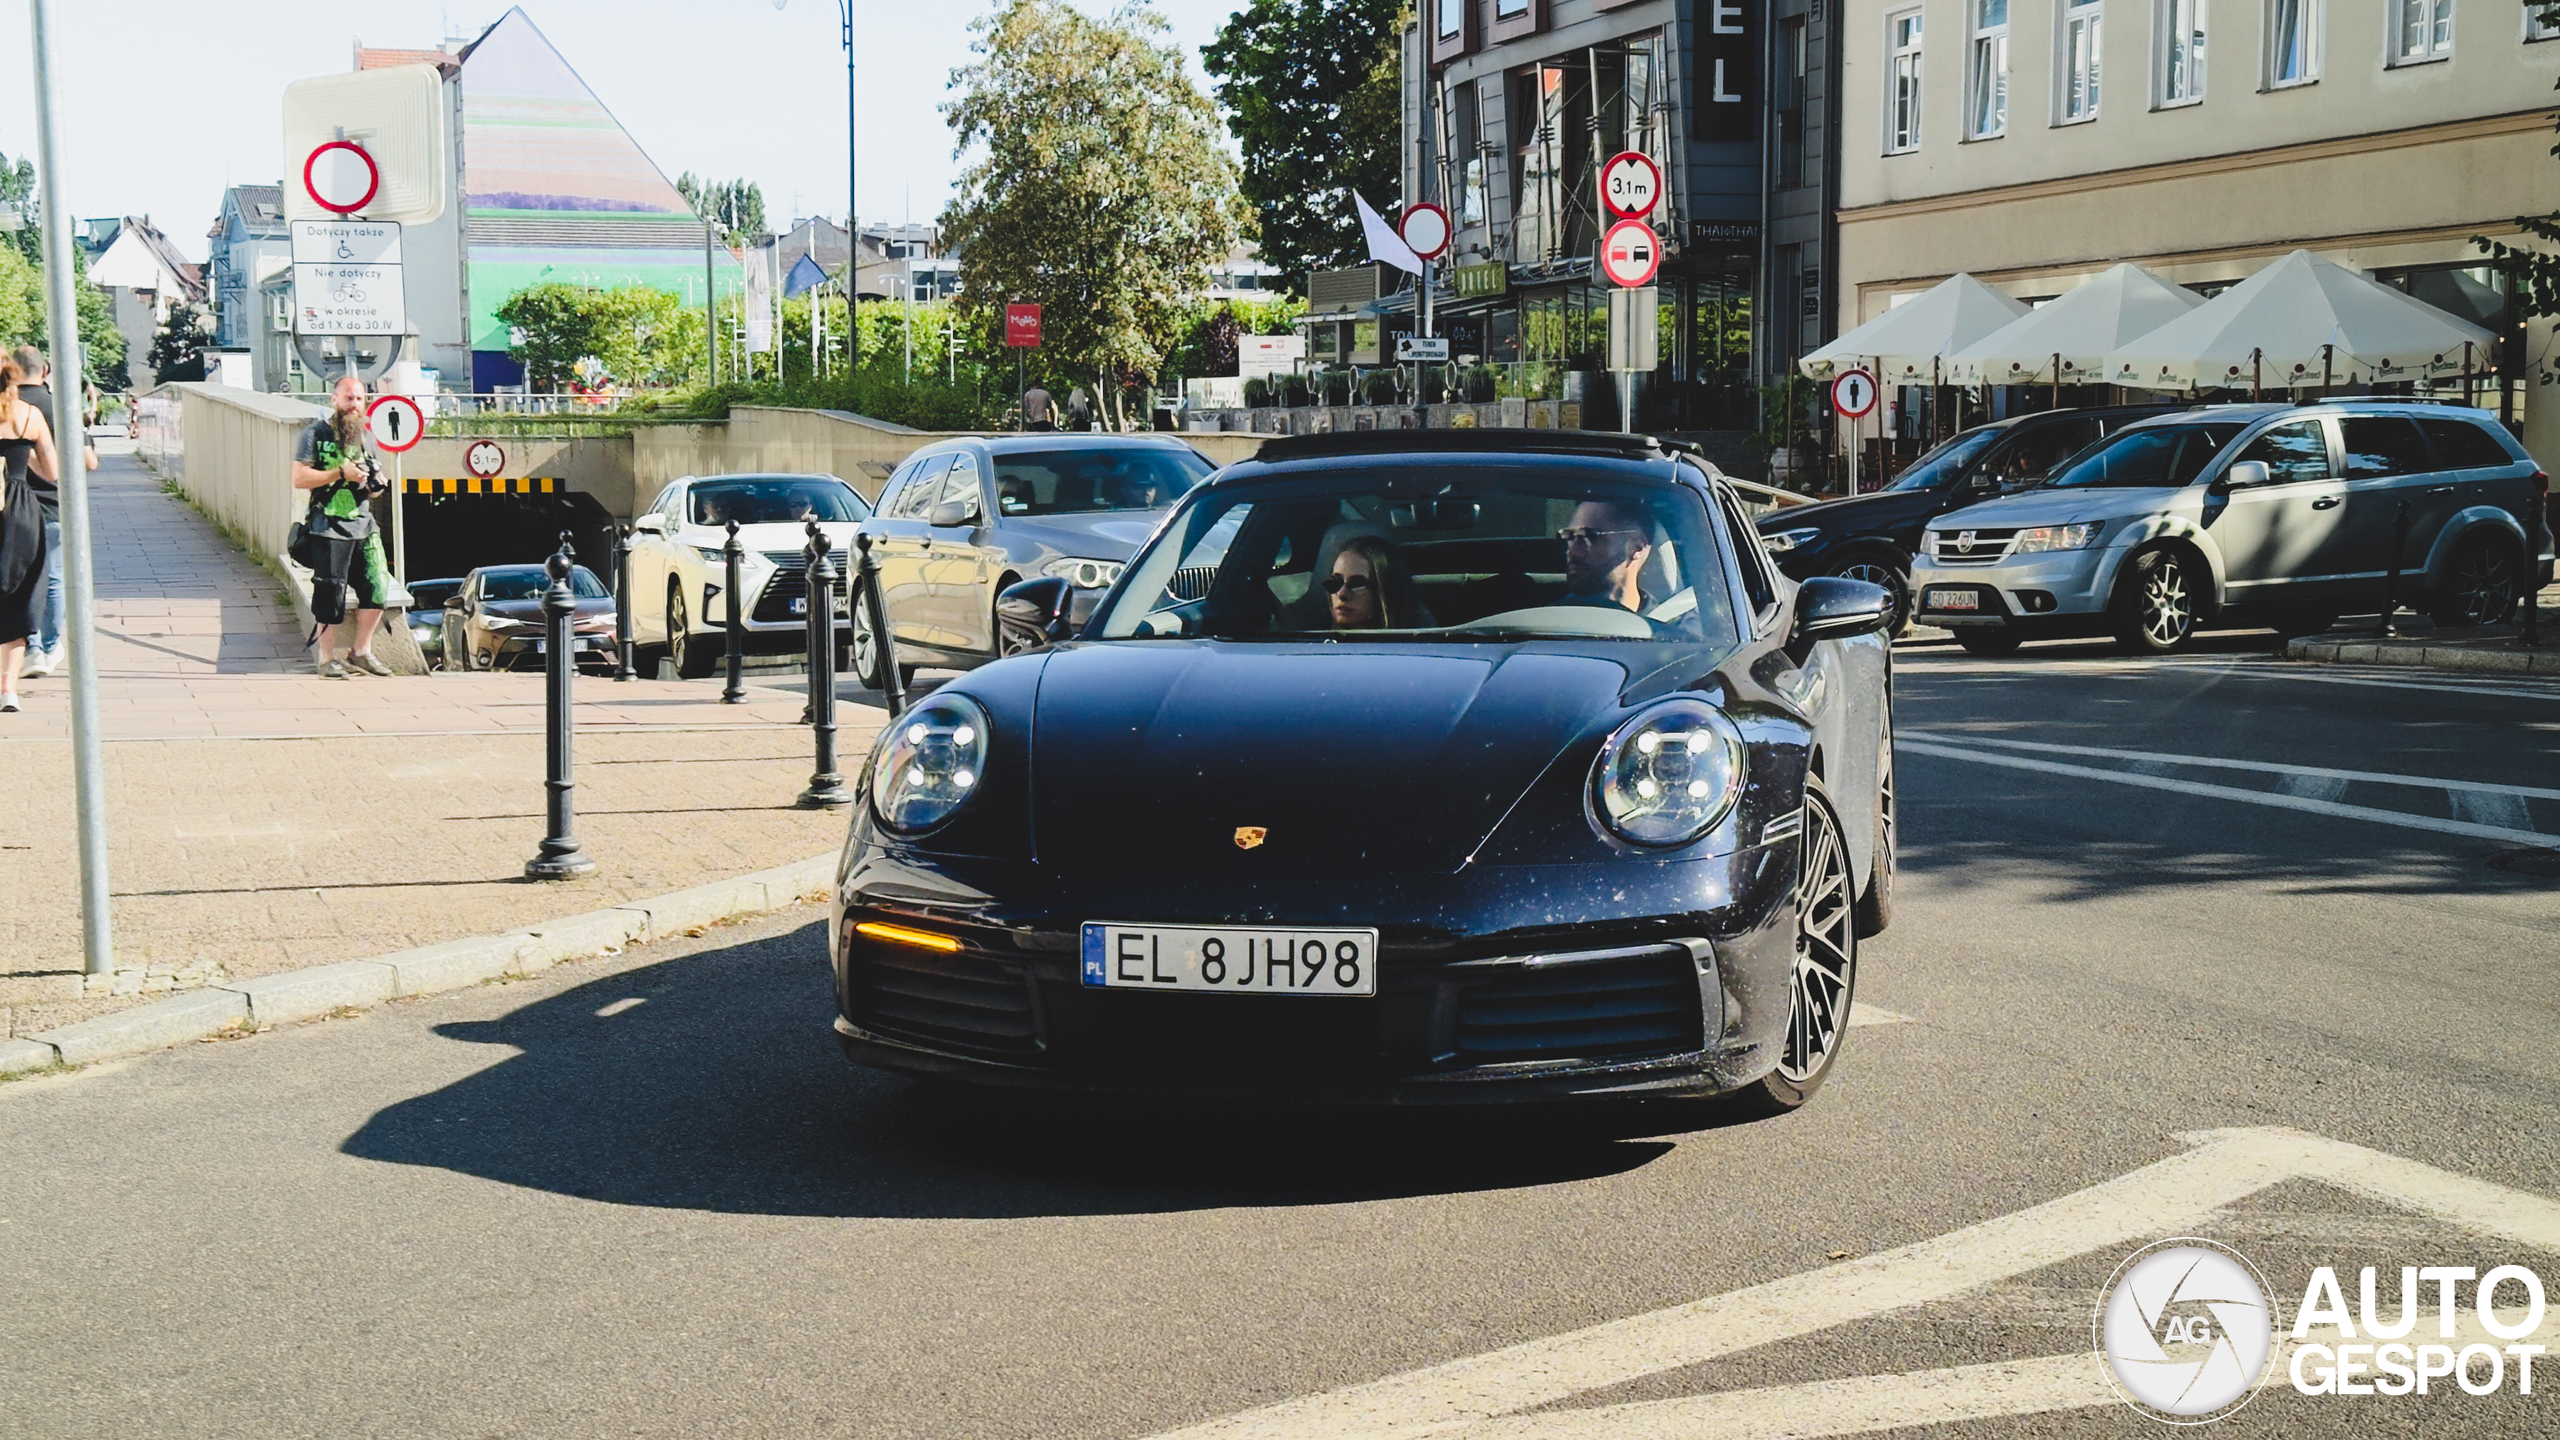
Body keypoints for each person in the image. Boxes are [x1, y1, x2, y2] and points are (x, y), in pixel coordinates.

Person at [291, 374, 392, 677]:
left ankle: (361, 651)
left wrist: (377, 485)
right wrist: (339, 473)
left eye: (360, 399)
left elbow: (371, 487)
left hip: (364, 523)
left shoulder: (366, 436)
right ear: (334, 400)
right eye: (349, 398)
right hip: (327, 525)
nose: (355, 404)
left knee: (378, 585)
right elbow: (299, 478)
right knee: (329, 593)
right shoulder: (316, 434)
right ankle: (326, 659)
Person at [9, 346, 97, 681]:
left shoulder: (8, 407)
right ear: (45, 370)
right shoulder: (60, 406)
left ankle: (26, 647)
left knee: (20, 581)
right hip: (53, 506)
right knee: (55, 577)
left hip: (11, 510)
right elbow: (89, 462)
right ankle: (46, 647)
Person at [0, 355, 61, 712]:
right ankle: (8, 687)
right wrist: (25, 465)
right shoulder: (29, 415)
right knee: (21, 597)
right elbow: (51, 471)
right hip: (20, 510)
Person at [1558, 498, 1654, 613]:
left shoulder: (1667, 625)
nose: (1572, 551)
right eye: (1570, 537)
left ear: (1637, 547)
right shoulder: (1546, 624)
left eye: (1590, 537)